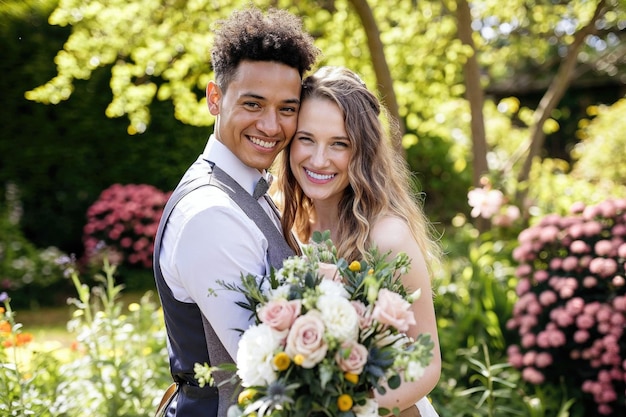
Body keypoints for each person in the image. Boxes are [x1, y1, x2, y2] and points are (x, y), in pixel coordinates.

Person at [152, 7, 319, 417]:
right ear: (215, 98)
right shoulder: (210, 214)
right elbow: (270, 368)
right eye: (253, 104)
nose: (271, 125)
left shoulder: (251, 189)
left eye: (287, 108)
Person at [275, 66, 442, 417]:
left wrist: (345, 408)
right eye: (306, 139)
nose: (319, 159)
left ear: (362, 152)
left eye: (339, 143)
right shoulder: (284, 222)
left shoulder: (386, 237)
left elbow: (426, 365)